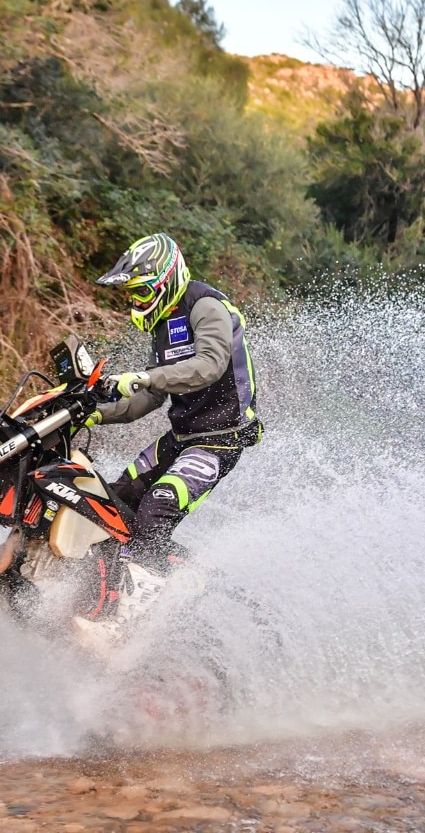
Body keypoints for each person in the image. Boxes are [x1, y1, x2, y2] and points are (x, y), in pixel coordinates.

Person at [73, 233, 261, 654]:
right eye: (131, 295)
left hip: (218, 441)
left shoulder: (206, 306)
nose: (135, 302)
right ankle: (95, 602)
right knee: (111, 503)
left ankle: (124, 631)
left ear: (165, 280)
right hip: (180, 438)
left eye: (140, 292)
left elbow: (209, 366)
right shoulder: (163, 325)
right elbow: (152, 396)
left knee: (156, 509)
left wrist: (144, 375)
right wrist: (95, 413)